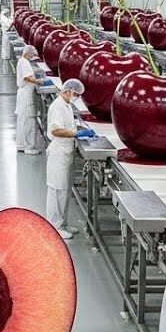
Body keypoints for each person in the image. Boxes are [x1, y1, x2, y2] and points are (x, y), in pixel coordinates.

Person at [45, 79, 92, 239]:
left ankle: (63, 224)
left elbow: (69, 125)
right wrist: (76, 134)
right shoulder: (57, 106)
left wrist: (80, 128)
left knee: (64, 191)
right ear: (68, 91)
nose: (76, 97)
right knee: (57, 191)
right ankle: (54, 227)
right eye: (76, 94)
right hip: (58, 153)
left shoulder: (66, 106)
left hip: (66, 153)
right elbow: (56, 130)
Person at [15, 45, 49, 155]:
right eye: (31, 55)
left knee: (22, 121)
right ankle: (29, 147)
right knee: (29, 121)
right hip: (26, 96)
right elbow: (27, 77)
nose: (32, 57)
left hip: (24, 94)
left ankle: (21, 145)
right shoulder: (24, 62)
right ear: (27, 54)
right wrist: (39, 81)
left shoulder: (22, 61)